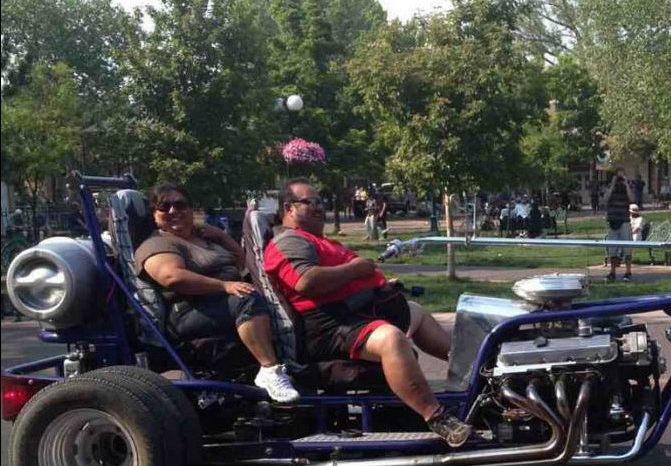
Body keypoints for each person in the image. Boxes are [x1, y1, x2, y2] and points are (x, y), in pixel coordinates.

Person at [264, 179, 472, 447]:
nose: (319, 207)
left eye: (320, 202)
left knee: (416, 313)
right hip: (329, 326)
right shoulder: (290, 241)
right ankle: (437, 417)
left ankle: (477, 375)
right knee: (391, 339)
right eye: (310, 202)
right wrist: (356, 269)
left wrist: (375, 284)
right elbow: (306, 282)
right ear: (288, 208)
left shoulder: (316, 240)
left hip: (353, 314)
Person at [135, 182, 298, 403]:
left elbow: (242, 263)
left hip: (222, 303)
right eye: (164, 207)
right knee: (247, 300)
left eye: (180, 205)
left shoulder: (205, 238)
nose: (173, 211)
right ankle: (270, 370)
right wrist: (224, 286)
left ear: (191, 209)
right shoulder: (157, 244)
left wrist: (221, 237)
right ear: (155, 215)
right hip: (187, 312)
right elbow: (172, 277)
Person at [604, 174, 634, 281]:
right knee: (612, 249)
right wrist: (612, 184)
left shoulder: (627, 188)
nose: (619, 181)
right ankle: (612, 272)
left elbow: (632, 198)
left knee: (627, 249)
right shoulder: (610, 189)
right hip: (612, 222)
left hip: (624, 222)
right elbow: (606, 198)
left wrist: (626, 183)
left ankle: (628, 272)